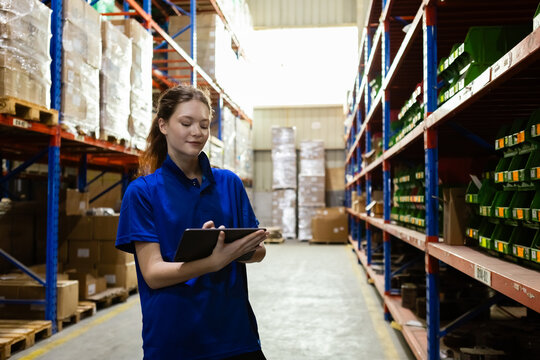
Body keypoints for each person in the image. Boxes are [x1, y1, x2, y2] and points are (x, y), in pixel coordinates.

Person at [116, 84, 268, 360]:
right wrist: (213, 261)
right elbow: (152, 272)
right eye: (186, 123)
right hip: (174, 339)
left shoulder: (229, 184)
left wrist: (241, 248)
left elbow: (259, 252)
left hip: (234, 335)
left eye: (204, 125)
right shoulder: (143, 192)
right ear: (163, 125)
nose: (197, 132)